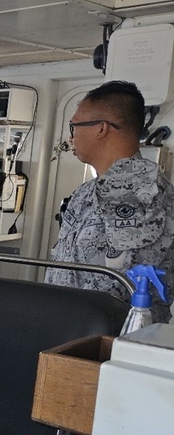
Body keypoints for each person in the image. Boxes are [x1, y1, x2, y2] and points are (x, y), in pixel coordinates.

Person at [46, 80, 174, 322]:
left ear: (101, 129)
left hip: (106, 339)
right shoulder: (88, 191)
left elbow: (119, 284)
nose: (70, 136)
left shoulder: (139, 190)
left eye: (74, 127)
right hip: (71, 332)